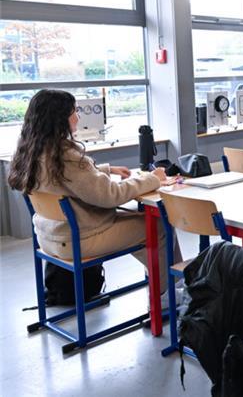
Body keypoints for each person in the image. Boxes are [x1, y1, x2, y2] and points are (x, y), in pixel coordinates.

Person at [7, 89, 172, 294]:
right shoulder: (66, 156)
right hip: (78, 240)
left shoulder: (32, 151)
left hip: (48, 237)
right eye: (74, 111)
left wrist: (106, 170)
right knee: (159, 226)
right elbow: (110, 195)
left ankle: (160, 284)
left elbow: (64, 180)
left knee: (142, 226)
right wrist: (152, 179)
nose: (78, 117)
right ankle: (168, 294)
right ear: (60, 118)